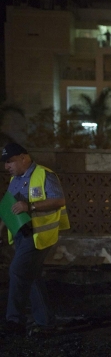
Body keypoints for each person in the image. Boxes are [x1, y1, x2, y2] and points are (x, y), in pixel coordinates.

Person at [0, 143, 69, 338]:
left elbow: (59, 200)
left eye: (10, 161)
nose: (7, 167)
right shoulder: (14, 180)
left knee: (17, 270)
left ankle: (14, 321)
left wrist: (30, 206)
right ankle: (46, 322)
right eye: (6, 163)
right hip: (21, 235)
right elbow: (8, 208)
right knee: (31, 276)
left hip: (39, 235)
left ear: (24, 157)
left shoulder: (45, 175)